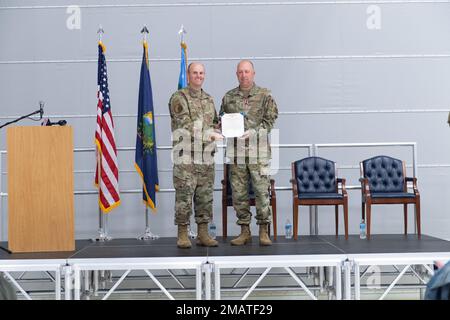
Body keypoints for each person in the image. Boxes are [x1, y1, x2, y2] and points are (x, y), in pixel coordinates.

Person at [219, 60, 278, 246]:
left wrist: (254, 132)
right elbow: (221, 120)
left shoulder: (264, 95)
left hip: (258, 154)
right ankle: (244, 230)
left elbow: (270, 121)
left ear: (253, 73)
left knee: (262, 192)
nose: (244, 75)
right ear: (237, 74)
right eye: (240, 72)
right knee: (239, 194)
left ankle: (263, 230)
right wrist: (220, 128)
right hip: (236, 154)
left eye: (247, 71)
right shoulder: (229, 97)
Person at [169, 62, 223, 249]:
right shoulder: (178, 97)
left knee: (204, 196)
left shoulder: (209, 99)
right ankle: (183, 234)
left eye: (201, 73)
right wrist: (210, 133)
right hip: (186, 157)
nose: (198, 76)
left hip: (206, 156)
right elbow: (185, 124)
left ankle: (203, 233)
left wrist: (225, 128)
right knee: (184, 196)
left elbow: (215, 123)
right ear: (188, 75)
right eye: (195, 73)